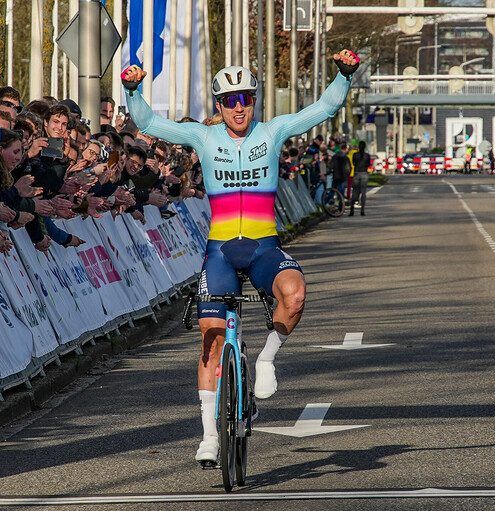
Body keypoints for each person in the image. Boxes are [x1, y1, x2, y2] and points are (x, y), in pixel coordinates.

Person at [121, 48, 359, 467]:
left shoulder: (273, 132)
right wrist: (132, 88)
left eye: (245, 99)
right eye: (230, 101)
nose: (238, 107)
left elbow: (325, 107)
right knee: (211, 339)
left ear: (254, 102)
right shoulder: (203, 137)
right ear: (219, 106)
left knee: (295, 294)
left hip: (264, 247)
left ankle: (266, 358)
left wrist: (343, 74)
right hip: (221, 253)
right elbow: (148, 122)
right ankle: (210, 436)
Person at [350, 141, 370, 216]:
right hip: (364, 173)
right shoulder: (367, 155)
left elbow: (353, 163)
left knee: (355, 192)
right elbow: (368, 164)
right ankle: (362, 210)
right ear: (365, 147)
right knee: (363, 192)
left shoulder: (355, 155)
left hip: (356, 173)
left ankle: (352, 210)